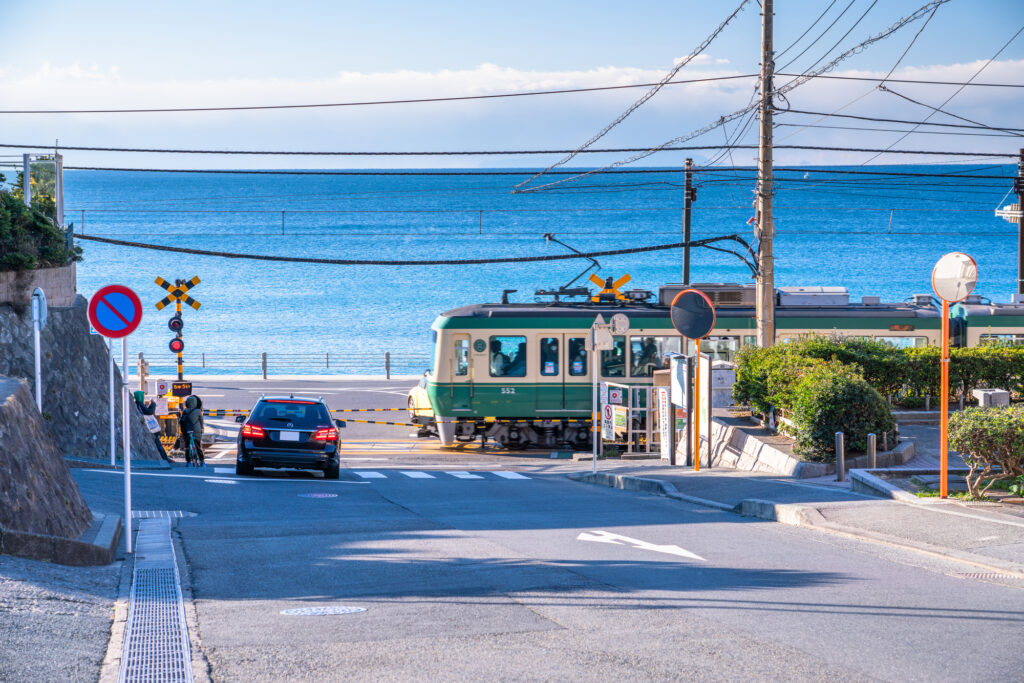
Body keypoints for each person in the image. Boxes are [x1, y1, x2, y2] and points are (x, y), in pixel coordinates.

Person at [133, 390, 170, 462]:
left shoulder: (137, 405)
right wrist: (153, 404)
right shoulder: (140, 404)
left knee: (157, 443)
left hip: (147, 427)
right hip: (150, 428)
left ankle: (165, 458)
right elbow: (149, 412)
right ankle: (165, 459)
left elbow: (146, 411)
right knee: (158, 443)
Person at [178, 394, 205, 466]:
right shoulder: (198, 411)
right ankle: (202, 461)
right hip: (197, 430)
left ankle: (188, 462)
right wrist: (202, 429)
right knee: (197, 445)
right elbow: (201, 421)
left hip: (187, 430)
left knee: (187, 446)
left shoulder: (185, 411)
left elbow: (182, 421)